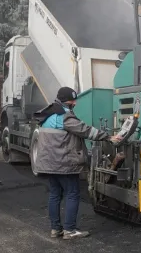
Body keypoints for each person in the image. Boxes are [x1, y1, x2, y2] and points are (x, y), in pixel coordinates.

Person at [32, 87, 117, 240]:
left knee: (55, 194)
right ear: (66, 102)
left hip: (49, 163)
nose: (75, 104)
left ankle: (55, 229)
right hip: (64, 163)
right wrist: (108, 137)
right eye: (73, 101)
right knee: (72, 194)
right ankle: (70, 230)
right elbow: (85, 131)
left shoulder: (48, 114)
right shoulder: (64, 116)